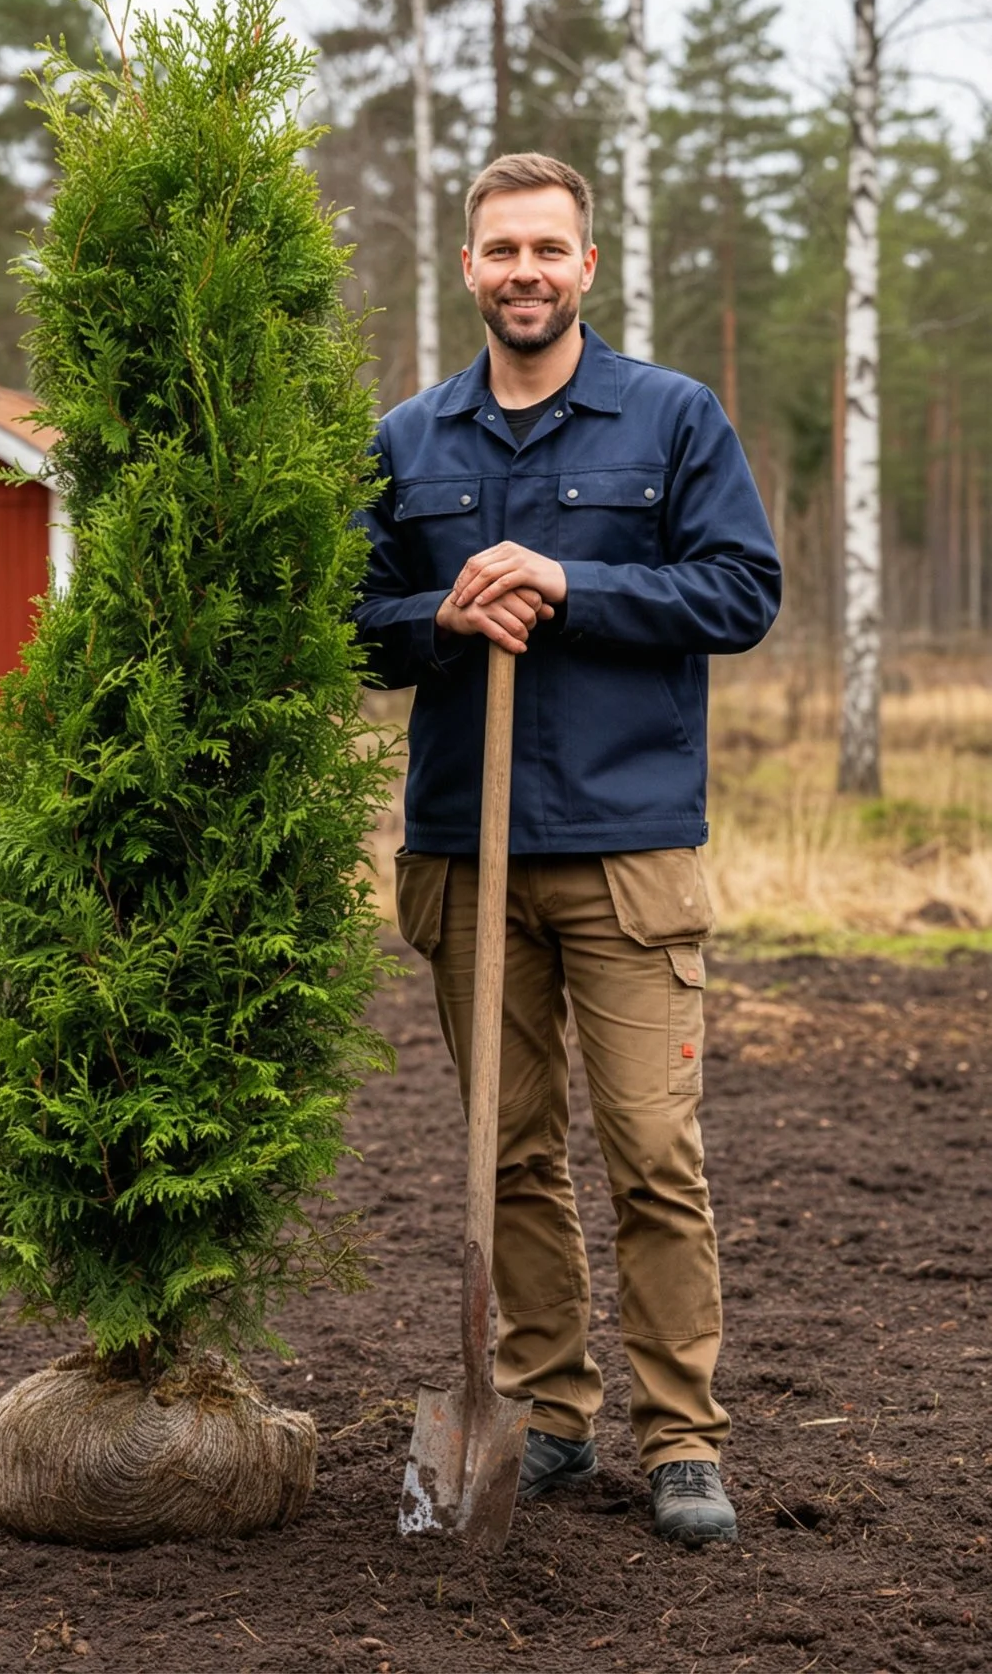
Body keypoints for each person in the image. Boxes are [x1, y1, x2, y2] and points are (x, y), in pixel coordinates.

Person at [355, 152, 781, 1546]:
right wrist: (444, 621)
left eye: (548, 248)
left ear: (586, 265)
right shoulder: (409, 439)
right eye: (500, 250)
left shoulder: (670, 419)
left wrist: (567, 581)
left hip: (625, 855)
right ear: (468, 268)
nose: (524, 271)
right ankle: (541, 1415)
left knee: (655, 1153)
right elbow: (351, 625)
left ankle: (683, 1443)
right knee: (512, 1156)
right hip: (466, 858)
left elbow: (739, 590)